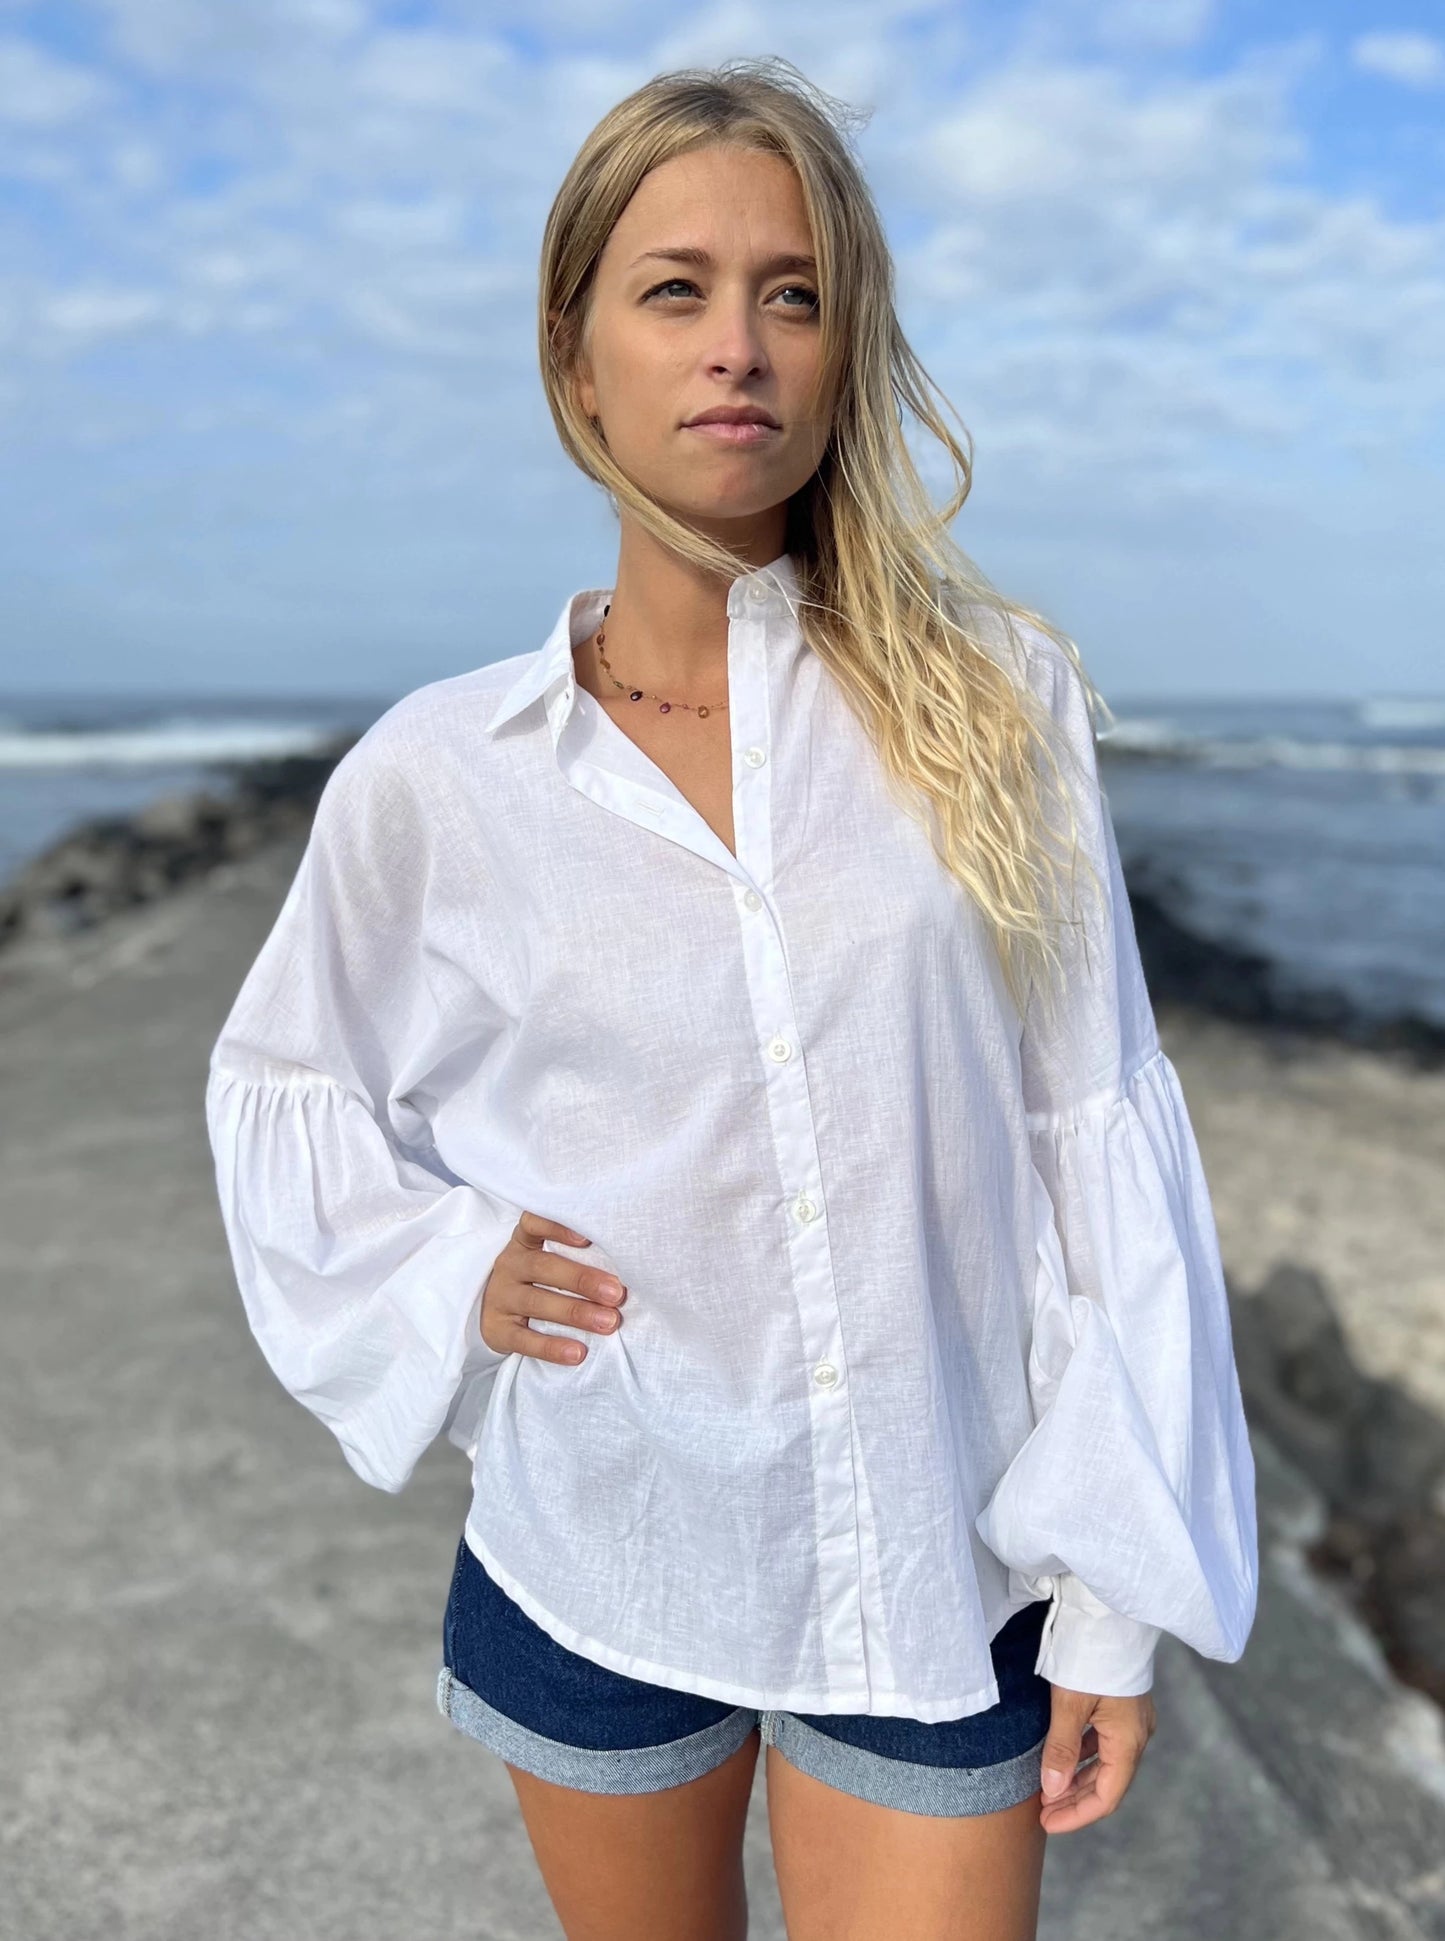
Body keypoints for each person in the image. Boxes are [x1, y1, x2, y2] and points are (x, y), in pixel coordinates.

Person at [204, 54, 1259, 1941]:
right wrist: (447, 1269)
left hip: (940, 1561)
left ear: (845, 351)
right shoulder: (441, 773)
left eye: (793, 293)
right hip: (603, 1546)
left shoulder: (994, 705)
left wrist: (1113, 1593)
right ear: (574, 353)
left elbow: (1085, 1129)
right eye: (674, 289)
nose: (737, 348)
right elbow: (284, 1083)